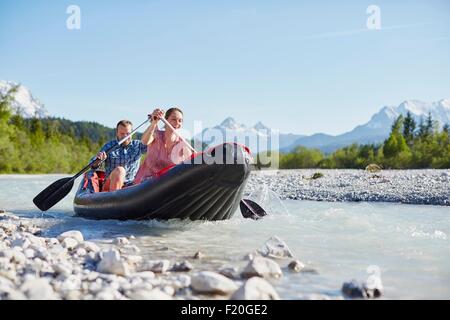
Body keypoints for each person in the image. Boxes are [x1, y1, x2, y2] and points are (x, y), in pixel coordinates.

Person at [133, 107, 193, 185]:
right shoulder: (156, 135)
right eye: (173, 119)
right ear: (166, 121)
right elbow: (145, 141)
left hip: (167, 184)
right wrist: (154, 122)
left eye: (180, 121)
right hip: (145, 182)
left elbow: (192, 161)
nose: (177, 123)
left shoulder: (182, 143)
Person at [95, 119, 154, 192]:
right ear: (117, 133)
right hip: (110, 185)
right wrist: (98, 160)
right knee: (120, 170)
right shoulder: (109, 146)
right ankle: (114, 199)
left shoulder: (138, 145)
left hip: (130, 186)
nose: (125, 136)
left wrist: (153, 123)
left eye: (128, 133)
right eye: (122, 133)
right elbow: (94, 165)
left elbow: (149, 141)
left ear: (132, 133)